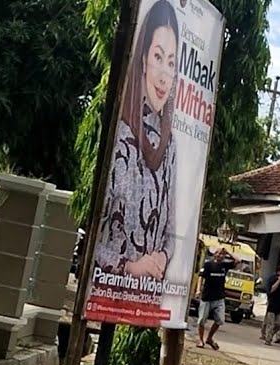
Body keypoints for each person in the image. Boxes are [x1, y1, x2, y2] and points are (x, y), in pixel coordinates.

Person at [93, 0, 178, 282]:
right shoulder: (118, 135)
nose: (164, 75)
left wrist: (161, 258)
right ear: (142, 60)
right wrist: (130, 267)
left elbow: (170, 233)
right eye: (157, 57)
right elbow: (92, 239)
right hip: (109, 290)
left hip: (147, 298)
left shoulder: (170, 146)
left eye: (171, 62)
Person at [195, 247, 236, 349]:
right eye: (219, 254)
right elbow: (201, 277)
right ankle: (200, 340)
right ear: (215, 255)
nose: (221, 256)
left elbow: (238, 260)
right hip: (207, 297)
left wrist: (228, 252)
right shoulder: (208, 264)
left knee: (220, 320)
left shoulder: (224, 266)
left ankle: (209, 338)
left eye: (223, 254)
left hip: (219, 298)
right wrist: (198, 290)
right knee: (202, 320)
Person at [261, 264, 280, 345]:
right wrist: (279, 281)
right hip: (273, 303)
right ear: (279, 272)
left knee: (279, 323)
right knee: (270, 323)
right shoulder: (273, 278)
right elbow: (272, 289)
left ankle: (270, 335)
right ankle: (268, 339)